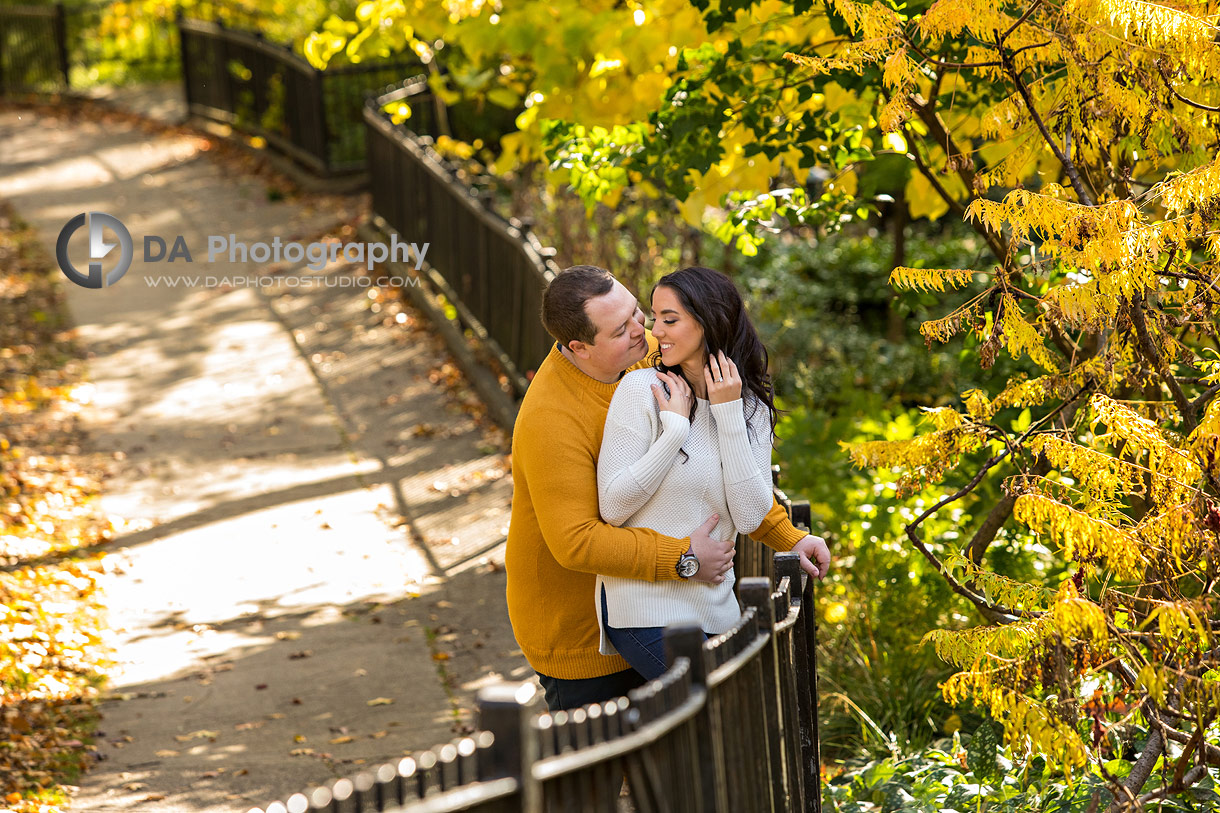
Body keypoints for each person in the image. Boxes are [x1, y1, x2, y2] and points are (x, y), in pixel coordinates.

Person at [505, 265, 830, 712]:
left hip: (669, 605)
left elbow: (724, 467)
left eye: (639, 314)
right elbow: (576, 542)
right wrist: (685, 557)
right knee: (599, 774)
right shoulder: (551, 419)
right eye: (623, 329)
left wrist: (788, 537)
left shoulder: (648, 353)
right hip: (578, 625)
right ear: (580, 347)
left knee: (675, 765)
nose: (646, 332)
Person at [595, 266, 781, 678]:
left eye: (670, 319)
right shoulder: (641, 391)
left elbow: (751, 516)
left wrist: (728, 412)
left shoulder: (749, 407)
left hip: (718, 612)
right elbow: (612, 505)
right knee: (717, 721)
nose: (655, 331)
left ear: (709, 321)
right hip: (643, 609)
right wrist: (674, 430)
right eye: (655, 317)